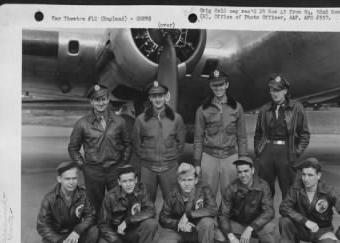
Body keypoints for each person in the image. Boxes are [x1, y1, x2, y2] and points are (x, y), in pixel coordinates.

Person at [68, 84, 133, 215]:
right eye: (97, 100)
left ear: (108, 100)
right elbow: (73, 148)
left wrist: (122, 163)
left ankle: (116, 231)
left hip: (115, 169)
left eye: (103, 99)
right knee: (94, 206)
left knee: (118, 204)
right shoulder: (82, 123)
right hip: (93, 171)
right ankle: (97, 232)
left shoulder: (119, 121)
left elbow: (128, 144)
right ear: (91, 101)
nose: (101, 103)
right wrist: (83, 166)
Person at [193, 69, 248, 200]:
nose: (218, 88)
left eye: (221, 84)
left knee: (231, 196)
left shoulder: (237, 108)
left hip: (230, 157)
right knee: (206, 195)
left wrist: (244, 160)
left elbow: (242, 137)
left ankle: (227, 220)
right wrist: (197, 163)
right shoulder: (203, 110)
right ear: (210, 86)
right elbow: (198, 138)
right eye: (215, 85)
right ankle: (208, 220)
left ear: (226, 85)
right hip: (209, 156)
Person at [37, 161, 98, 243]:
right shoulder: (49, 199)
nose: (71, 182)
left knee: (93, 230)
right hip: (57, 235)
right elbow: (42, 226)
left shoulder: (83, 195)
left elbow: (91, 215)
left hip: (74, 232)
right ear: (59, 179)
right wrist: (60, 241)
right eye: (67, 179)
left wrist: (77, 231)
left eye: (74, 178)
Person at [254, 73, 310, 200]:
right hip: (267, 150)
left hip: (286, 150)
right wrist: (259, 152)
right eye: (272, 90)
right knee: (264, 189)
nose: (275, 94)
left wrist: (296, 152)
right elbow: (258, 133)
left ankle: (288, 216)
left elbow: (305, 134)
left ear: (285, 91)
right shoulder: (264, 109)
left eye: (278, 90)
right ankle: (265, 215)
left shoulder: (296, 108)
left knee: (289, 189)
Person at [215, 156, 276, 243]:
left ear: (252, 170)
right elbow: (222, 215)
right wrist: (231, 237)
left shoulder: (263, 186)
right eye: (240, 172)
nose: (243, 175)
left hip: (256, 225)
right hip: (238, 224)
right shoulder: (231, 188)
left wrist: (250, 228)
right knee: (218, 235)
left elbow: (269, 212)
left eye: (246, 171)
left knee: (268, 228)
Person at [96, 165, 158, 243]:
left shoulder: (142, 190)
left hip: (133, 231)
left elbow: (151, 211)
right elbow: (103, 225)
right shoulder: (110, 196)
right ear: (119, 182)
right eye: (124, 181)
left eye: (131, 180)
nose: (128, 184)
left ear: (136, 180)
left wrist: (127, 221)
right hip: (115, 234)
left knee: (151, 224)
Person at [157, 163, 218, 243]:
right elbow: (162, 217)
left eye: (190, 180)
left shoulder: (204, 188)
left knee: (208, 223)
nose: (186, 184)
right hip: (180, 230)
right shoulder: (172, 192)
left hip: (197, 228)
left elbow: (213, 209)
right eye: (183, 180)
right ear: (179, 181)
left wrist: (188, 215)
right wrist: (178, 224)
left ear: (196, 180)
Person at [132, 80, 186, 202]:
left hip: (169, 167)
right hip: (148, 168)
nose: (158, 99)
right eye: (154, 96)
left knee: (173, 202)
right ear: (150, 98)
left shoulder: (176, 119)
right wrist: (147, 158)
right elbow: (136, 143)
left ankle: (171, 221)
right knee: (146, 202)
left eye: (160, 96)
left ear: (165, 97)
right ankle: (148, 221)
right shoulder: (141, 120)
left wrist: (171, 157)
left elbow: (180, 143)